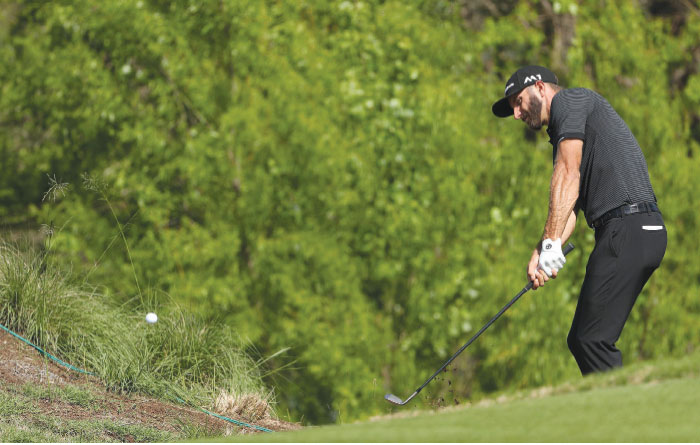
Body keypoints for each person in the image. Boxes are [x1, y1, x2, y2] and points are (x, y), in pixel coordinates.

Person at [491, 65, 667, 375]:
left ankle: (618, 416)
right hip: (640, 231)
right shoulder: (570, 128)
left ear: (541, 88)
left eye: (519, 102)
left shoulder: (569, 102)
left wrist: (549, 242)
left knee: (590, 340)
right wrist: (543, 250)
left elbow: (567, 173)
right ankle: (614, 412)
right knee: (585, 338)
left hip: (627, 231)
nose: (517, 114)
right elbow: (571, 208)